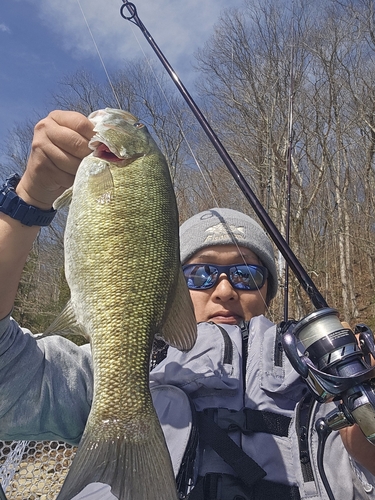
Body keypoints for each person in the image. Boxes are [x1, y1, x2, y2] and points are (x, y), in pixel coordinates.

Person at [1, 110, 375, 500]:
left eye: (246, 275)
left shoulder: (322, 378)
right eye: (200, 276)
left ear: (269, 290)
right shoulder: (122, 363)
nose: (226, 290)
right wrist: (27, 202)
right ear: (168, 286)